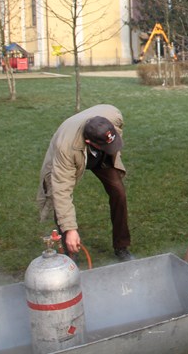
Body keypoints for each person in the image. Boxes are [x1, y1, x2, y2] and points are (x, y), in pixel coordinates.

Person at [37, 104, 134, 261]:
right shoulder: (65, 148)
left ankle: (121, 247)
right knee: (59, 198)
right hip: (73, 155)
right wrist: (70, 229)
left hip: (100, 155)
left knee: (119, 192)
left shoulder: (113, 116)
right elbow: (62, 190)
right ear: (89, 141)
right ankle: (70, 253)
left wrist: (109, 147)